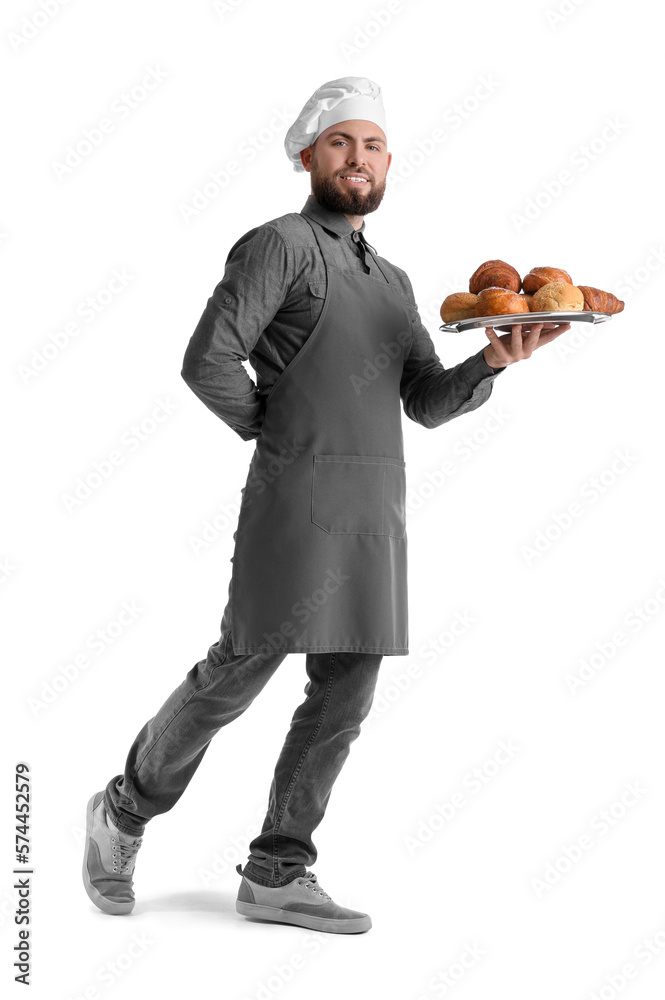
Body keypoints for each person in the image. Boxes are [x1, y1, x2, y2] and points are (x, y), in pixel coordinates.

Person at [82, 76, 570, 935]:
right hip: (294, 500)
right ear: (307, 156)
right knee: (234, 676)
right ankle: (124, 808)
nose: (358, 158)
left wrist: (494, 360)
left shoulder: (392, 278)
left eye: (372, 145)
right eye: (340, 143)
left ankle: (277, 869)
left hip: (374, 508)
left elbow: (423, 398)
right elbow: (208, 361)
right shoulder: (277, 246)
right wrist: (277, 434)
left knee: (344, 697)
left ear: (388, 162)